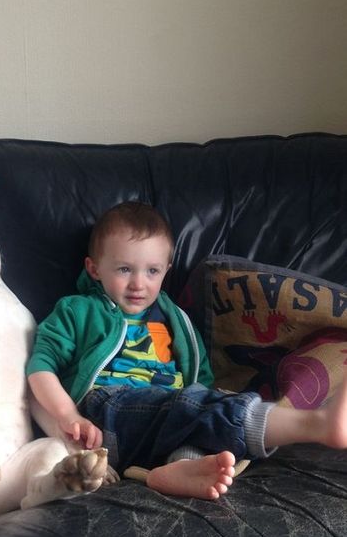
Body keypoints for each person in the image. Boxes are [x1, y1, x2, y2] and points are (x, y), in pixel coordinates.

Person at [26, 201, 347, 500]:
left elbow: (200, 380)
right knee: (194, 408)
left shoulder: (175, 319)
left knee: (201, 419)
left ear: (167, 269)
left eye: (152, 271)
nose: (139, 283)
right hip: (106, 411)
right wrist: (68, 414)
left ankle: (176, 467)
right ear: (94, 268)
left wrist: (207, 400)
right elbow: (40, 365)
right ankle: (315, 425)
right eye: (124, 269)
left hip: (165, 420)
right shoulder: (78, 310)